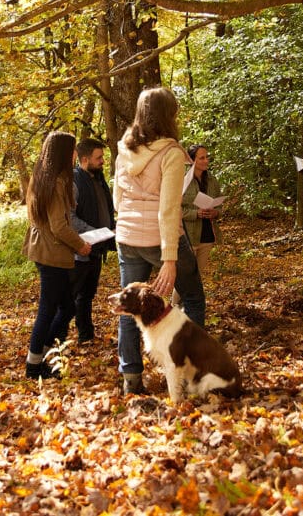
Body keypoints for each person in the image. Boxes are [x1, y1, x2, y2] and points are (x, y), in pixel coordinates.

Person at [114, 86, 206, 395]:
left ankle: (131, 378)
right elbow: (169, 208)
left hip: (126, 236)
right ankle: (193, 372)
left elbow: (117, 200)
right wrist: (169, 259)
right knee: (192, 299)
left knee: (129, 307)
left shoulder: (124, 148)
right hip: (160, 237)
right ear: (169, 116)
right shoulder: (171, 153)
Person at [22, 131, 92, 379]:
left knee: (67, 307)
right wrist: (81, 245)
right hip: (50, 253)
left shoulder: (44, 177)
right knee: (49, 309)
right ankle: (34, 365)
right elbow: (59, 226)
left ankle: (48, 354)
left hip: (46, 250)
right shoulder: (55, 183)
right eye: (73, 150)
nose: (75, 155)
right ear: (64, 152)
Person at [65, 137, 116, 344]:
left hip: (97, 247)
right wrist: (96, 232)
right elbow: (69, 216)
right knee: (71, 297)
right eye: (99, 158)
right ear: (84, 159)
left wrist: (108, 231)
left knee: (87, 295)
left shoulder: (98, 179)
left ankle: (86, 335)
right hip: (81, 249)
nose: (103, 161)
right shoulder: (75, 182)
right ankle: (58, 337)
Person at [181, 144, 222, 280]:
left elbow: (219, 206)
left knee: (197, 277)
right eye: (202, 158)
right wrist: (195, 213)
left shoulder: (212, 180)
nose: (206, 160)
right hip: (189, 235)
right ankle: (175, 302)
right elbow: (173, 209)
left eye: (207, 157)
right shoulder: (182, 181)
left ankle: (186, 302)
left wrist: (216, 213)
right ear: (192, 161)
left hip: (208, 235)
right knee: (187, 276)